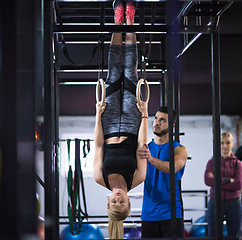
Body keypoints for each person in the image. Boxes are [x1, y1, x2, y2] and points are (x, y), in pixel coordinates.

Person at [93, 1, 148, 239]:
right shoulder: (138, 177)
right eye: (121, 202)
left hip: (108, 121)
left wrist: (97, 114)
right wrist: (145, 112)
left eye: (113, 202)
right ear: (128, 202)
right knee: (130, 70)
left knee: (114, 71)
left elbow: (98, 145)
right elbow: (141, 146)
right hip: (132, 123)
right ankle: (131, 21)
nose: (117, 197)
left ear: (108, 202)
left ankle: (118, 21)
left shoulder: (99, 177)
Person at [137, 106, 188, 238]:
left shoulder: (179, 149)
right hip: (148, 214)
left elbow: (173, 168)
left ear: (172, 125)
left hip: (171, 214)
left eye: (162, 120)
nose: (157, 123)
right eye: (156, 118)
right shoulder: (146, 148)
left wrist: (150, 158)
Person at [204, 132, 242, 238]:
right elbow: (207, 181)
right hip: (215, 203)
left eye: (227, 142)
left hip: (233, 204)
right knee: (214, 236)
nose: (225, 146)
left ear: (232, 144)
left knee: (233, 236)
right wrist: (228, 180)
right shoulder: (212, 162)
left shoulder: (237, 163)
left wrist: (216, 181)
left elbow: (238, 184)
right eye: (221, 143)